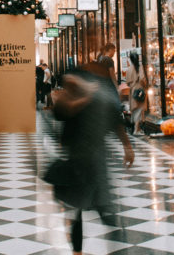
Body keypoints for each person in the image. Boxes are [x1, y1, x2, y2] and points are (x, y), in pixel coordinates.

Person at [51, 64, 134, 255]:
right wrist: (85, 95)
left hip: (95, 160)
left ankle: (113, 249)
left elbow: (115, 120)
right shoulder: (78, 92)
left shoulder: (100, 93)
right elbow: (61, 110)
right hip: (79, 160)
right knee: (80, 211)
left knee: (102, 210)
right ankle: (77, 251)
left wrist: (127, 146)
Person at [125, 51, 146, 135]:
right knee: (139, 109)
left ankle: (137, 128)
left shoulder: (129, 69)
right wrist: (145, 85)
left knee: (134, 109)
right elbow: (142, 78)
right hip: (139, 89)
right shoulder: (140, 67)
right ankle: (136, 130)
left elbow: (127, 82)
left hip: (132, 90)